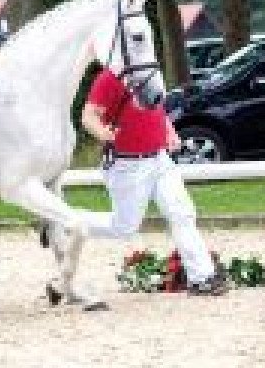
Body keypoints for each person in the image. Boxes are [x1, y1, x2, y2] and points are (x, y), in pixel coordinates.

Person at [77, 67, 227, 295]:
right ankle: (65, 221)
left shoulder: (150, 72)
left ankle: (202, 277)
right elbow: (88, 117)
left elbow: (157, 109)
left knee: (182, 212)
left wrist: (169, 132)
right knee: (123, 228)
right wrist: (103, 133)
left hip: (160, 159)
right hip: (127, 165)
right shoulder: (109, 78)